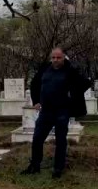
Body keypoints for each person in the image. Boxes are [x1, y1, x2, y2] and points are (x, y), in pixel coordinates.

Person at [22, 47, 92, 179]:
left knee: (60, 140)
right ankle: (35, 166)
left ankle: (58, 169)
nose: (55, 60)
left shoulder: (70, 70)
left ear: (63, 57)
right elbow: (35, 83)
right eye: (53, 57)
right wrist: (36, 101)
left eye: (58, 57)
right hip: (46, 111)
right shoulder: (45, 69)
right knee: (37, 138)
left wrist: (73, 97)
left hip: (62, 111)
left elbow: (85, 83)